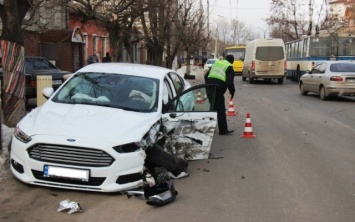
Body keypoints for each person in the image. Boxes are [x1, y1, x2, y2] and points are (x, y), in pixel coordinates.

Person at [205, 54, 235, 135]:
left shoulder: (217, 63)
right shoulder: (229, 67)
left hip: (209, 87)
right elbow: (230, 83)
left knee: (213, 107)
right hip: (218, 88)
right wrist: (232, 92)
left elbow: (206, 76)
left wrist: (208, 85)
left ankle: (209, 127)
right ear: (232, 61)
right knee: (220, 109)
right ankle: (223, 130)